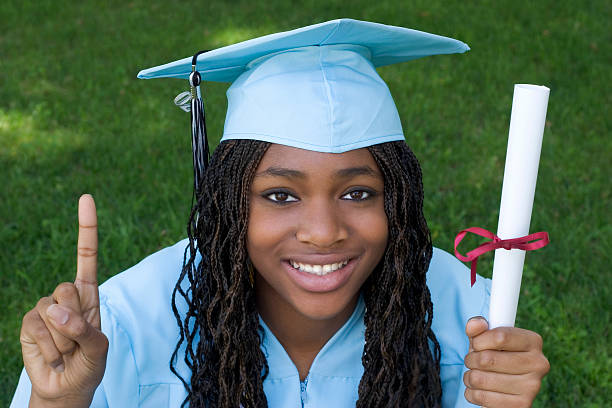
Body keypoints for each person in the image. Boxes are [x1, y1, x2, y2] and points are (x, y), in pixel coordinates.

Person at [11, 19, 549, 407]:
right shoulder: (127, 325)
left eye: (359, 193)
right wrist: (59, 403)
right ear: (227, 205)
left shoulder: (468, 317)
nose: (322, 233)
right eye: (280, 195)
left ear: (398, 201)